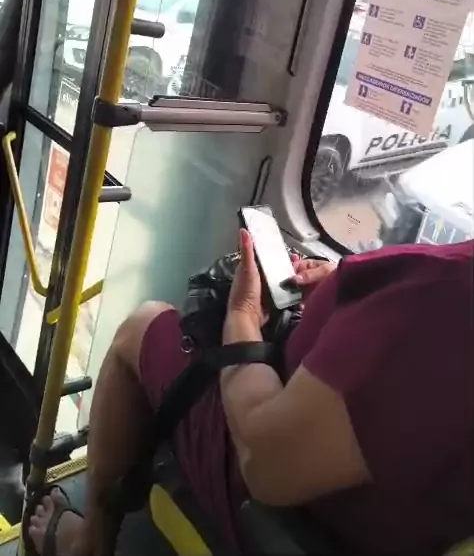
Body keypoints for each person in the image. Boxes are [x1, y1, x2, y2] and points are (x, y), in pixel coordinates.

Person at [29, 234, 473, 556]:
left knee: (142, 326)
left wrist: (241, 319)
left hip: (293, 510)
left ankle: (90, 544)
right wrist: (346, 290)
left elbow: (268, 463)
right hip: (394, 510)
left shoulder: (448, 296)